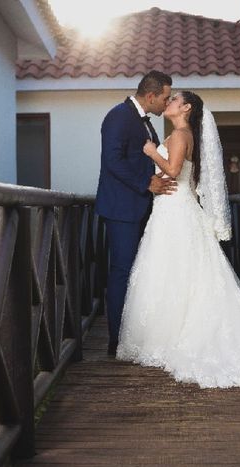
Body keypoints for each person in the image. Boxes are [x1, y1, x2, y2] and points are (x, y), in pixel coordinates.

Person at [116, 91, 240, 390]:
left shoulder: (181, 135)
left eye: (174, 99)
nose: (168, 102)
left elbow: (174, 170)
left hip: (176, 211)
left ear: (187, 108)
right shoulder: (182, 133)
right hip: (170, 210)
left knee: (177, 271)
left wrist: (153, 153)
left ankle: (177, 336)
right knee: (174, 272)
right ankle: (168, 334)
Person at [96, 71, 177, 356]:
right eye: (165, 98)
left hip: (140, 207)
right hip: (121, 209)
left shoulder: (144, 122)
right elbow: (112, 160)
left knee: (139, 273)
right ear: (151, 95)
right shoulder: (119, 116)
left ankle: (136, 335)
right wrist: (146, 183)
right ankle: (116, 341)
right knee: (122, 271)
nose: (166, 104)